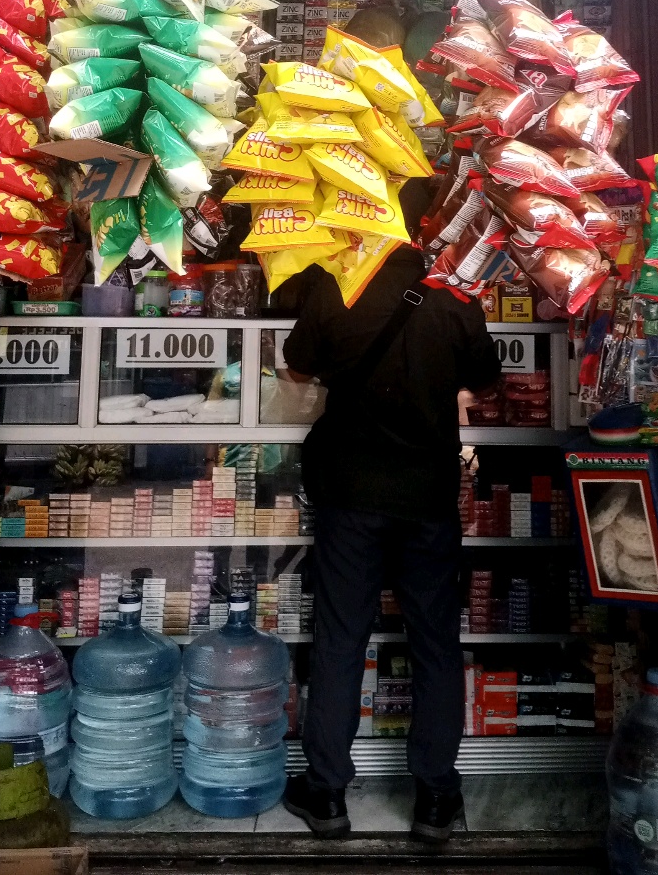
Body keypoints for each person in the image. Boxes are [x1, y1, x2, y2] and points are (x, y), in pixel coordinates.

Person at [279, 179, 501, 842]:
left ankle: (327, 795)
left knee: (341, 638)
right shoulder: (453, 294)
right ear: (423, 229)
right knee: (436, 643)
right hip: (427, 497)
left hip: (350, 494)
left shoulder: (335, 284)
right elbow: (486, 380)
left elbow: (297, 366)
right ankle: (436, 798)